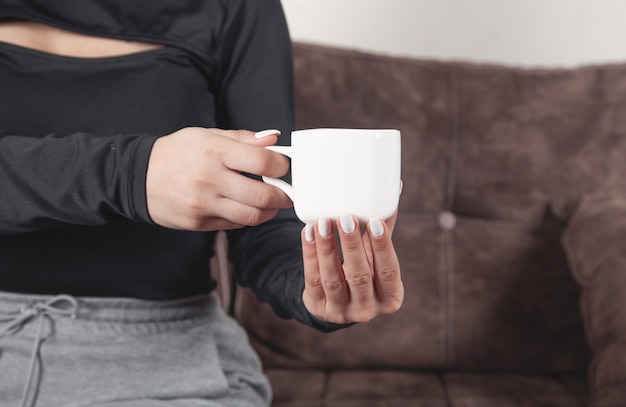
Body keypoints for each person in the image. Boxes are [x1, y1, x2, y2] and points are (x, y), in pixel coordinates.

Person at [0, 0, 404, 406]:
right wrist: (132, 176)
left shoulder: (240, 8)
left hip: (171, 363)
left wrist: (315, 283)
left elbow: (268, 204)